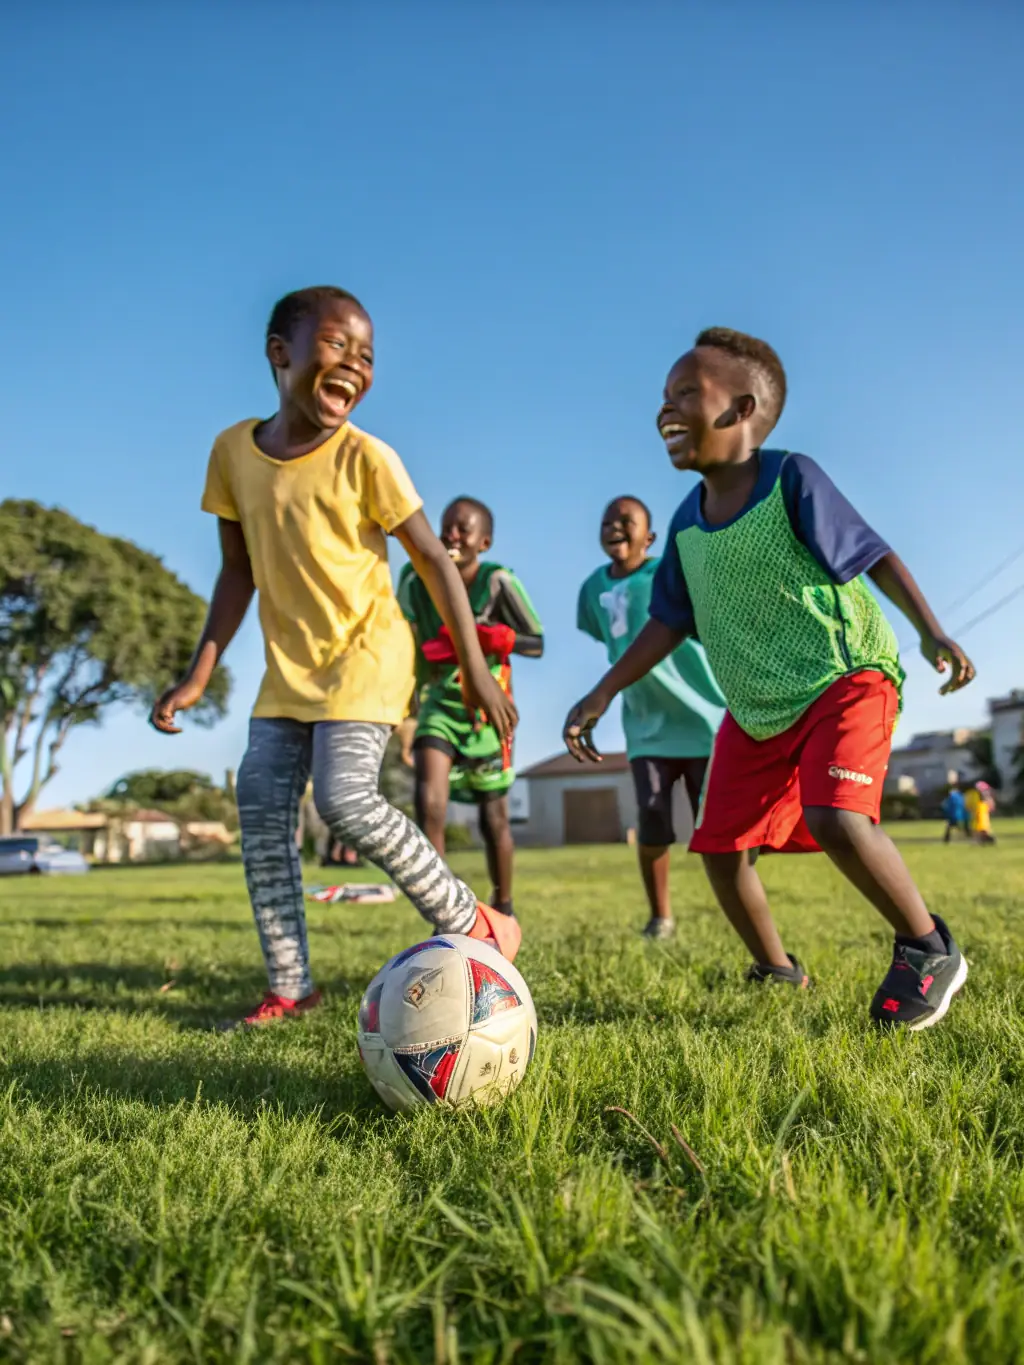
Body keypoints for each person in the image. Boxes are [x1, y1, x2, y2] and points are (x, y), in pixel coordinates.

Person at [564, 326, 976, 1030]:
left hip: (844, 677)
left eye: (687, 393)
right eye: (663, 396)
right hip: (755, 707)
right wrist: (602, 691)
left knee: (838, 815)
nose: (665, 408)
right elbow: (665, 621)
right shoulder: (685, 525)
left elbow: (873, 553)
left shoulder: (792, 477)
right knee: (720, 850)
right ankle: (777, 968)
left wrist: (929, 627)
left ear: (742, 408)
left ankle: (927, 947)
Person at [150, 285, 521, 1028]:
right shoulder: (232, 452)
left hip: (367, 657)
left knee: (346, 798)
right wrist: (199, 672)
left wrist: (477, 667)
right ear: (279, 354)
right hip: (288, 672)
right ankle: (292, 986)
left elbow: (434, 561)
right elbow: (236, 570)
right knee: (259, 800)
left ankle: (478, 921)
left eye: (367, 354)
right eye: (337, 344)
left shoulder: (367, 457)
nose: (355, 362)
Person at [576, 495, 725, 938]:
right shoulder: (591, 589)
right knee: (653, 818)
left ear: (651, 536)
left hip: (703, 719)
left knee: (717, 826)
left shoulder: (668, 573)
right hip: (645, 728)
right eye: (606, 521)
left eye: (627, 521)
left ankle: (737, 902)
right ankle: (661, 915)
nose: (615, 528)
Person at [397, 497, 543, 918]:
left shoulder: (498, 581)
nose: (452, 535)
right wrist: (405, 711)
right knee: (431, 803)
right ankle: (442, 910)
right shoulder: (413, 578)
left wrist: (493, 639)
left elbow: (537, 642)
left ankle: (504, 907)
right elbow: (403, 637)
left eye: (463, 529)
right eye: (447, 527)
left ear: (485, 540)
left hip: (488, 710)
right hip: (438, 702)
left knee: (494, 817)